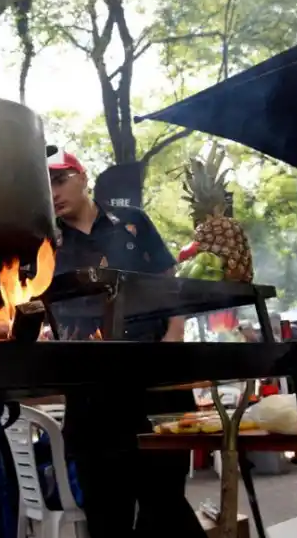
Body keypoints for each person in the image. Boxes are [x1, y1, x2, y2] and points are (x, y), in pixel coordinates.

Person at [45, 149, 205, 538]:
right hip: (91, 382)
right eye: (45, 185)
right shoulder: (48, 242)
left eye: (60, 179)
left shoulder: (130, 221)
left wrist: (174, 333)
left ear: (82, 177)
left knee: (165, 499)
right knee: (105, 507)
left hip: (153, 371)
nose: (53, 192)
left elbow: (169, 279)